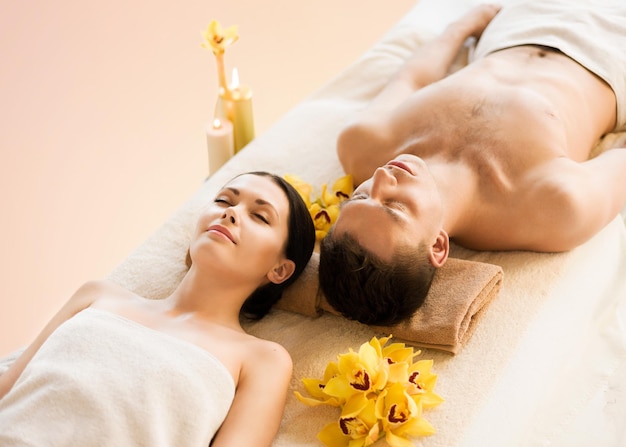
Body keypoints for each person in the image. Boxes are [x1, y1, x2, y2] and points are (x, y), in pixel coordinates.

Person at [319, 1, 626, 326]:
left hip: (520, 21)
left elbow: (411, 78)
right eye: (394, 207)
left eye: (360, 197)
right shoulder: (553, 209)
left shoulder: (362, 144)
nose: (382, 177)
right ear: (437, 245)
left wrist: (466, 25)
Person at [0, 172, 316, 446]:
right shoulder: (98, 295)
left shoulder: (262, 359)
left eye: (260, 216)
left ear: (279, 270)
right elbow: (9, 386)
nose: (231, 213)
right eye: (223, 201)